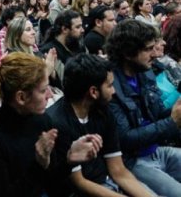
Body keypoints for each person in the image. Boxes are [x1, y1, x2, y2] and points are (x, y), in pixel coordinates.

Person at [0, 52, 103, 197]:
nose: (50, 95)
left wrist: (69, 160)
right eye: (43, 90)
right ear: (21, 97)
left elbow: (52, 182)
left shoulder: (41, 120)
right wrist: (38, 165)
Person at [47, 54, 155, 197]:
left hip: (110, 182)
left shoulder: (103, 111)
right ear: (93, 92)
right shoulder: (58, 123)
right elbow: (80, 183)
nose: (114, 91)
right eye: (110, 86)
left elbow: (118, 170)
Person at [105, 19, 181, 197]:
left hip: (157, 151)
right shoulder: (109, 85)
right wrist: (172, 122)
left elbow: (156, 113)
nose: (154, 54)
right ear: (128, 53)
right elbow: (125, 139)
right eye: (147, 49)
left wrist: (175, 113)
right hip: (132, 161)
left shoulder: (145, 72)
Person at [40, 10, 86, 81]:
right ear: (64, 29)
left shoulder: (77, 45)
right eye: (78, 27)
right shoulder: (50, 51)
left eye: (81, 26)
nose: (82, 30)